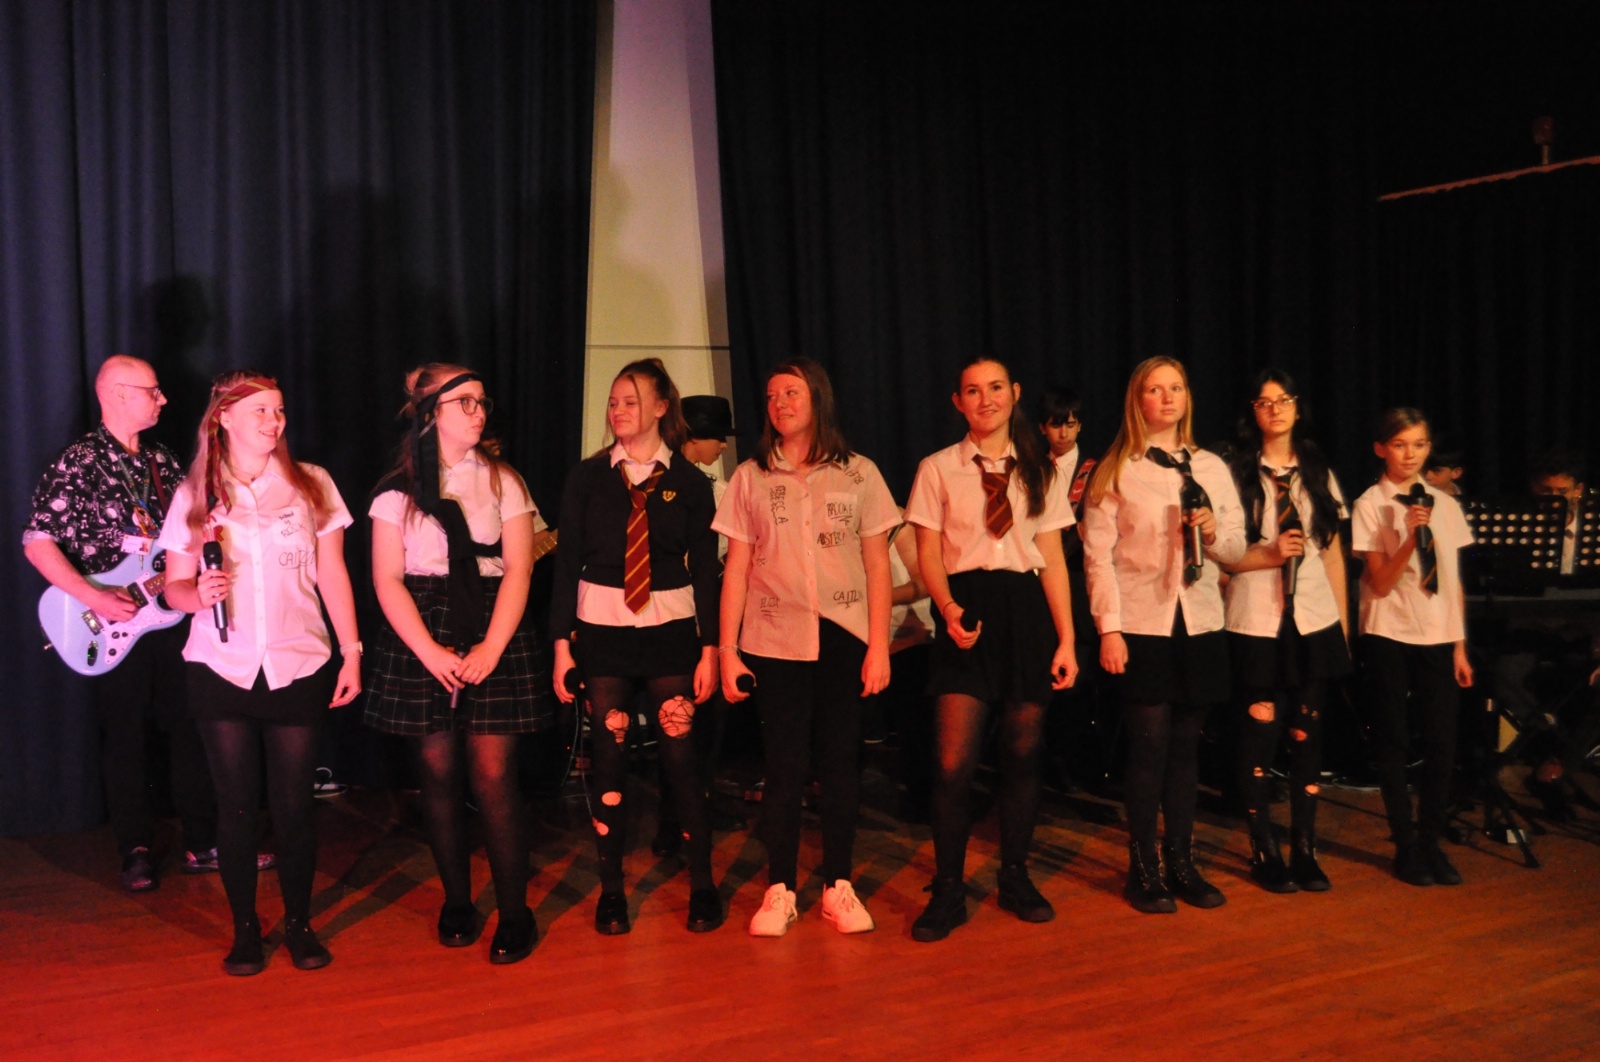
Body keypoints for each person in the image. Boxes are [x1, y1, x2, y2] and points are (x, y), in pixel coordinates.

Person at [159, 370, 362, 975]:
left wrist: (351, 651)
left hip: (299, 663)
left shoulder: (310, 483)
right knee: (237, 807)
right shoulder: (196, 492)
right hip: (222, 668)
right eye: (260, 411)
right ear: (223, 418)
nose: (274, 422)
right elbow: (173, 587)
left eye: (279, 410)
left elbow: (332, 573)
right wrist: (196, 594)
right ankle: (245, 929)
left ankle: (299, 924)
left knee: (295, 806)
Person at [363, 365, 551, 964]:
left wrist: (492, 647)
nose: (478, 411)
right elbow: (387, 579)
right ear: (431, 413)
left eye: (481, 401)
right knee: (438, 772)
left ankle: (515, 912)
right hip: (423, 626)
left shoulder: (504, 480)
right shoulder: (397, 490)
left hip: (495, 621)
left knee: (493, 774)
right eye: (464, 401)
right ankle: (457, 901)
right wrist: (429, 651)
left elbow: (519, 568)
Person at [22, 355, 219, 892]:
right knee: (125, 735)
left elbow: (185, 535)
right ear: (116, 393)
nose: (164, 399)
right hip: (113, 621)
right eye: (153, 391)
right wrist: (94, 596)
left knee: (191, 725)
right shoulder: (79, 461)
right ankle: (135, 849)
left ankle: (203, 840)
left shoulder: (163, 460)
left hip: (170, 613)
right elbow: (37, 541)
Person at [716, 358, 897, 937]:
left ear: (817, 398)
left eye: (791, 393)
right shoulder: (751, 477)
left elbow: (878, 566)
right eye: (772, 396)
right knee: (784, 767)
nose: (780, 405)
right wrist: (727, 650)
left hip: (843, 637)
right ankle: (781, 889)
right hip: (774, 640)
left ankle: (839, 886)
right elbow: (737, 569)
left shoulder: (860, 473)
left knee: (840, 764)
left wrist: (879, 646)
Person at [904, 356, 1078, 942]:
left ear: (1015, 393)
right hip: (967, 607)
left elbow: (1052, 560)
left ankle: (1015, 875)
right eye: (973, 391)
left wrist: (1067, 639)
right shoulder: (937, 468)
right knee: (952, 762)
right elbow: (929, 553)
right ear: (958, 401)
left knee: (1022, 753)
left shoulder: (1041, 469)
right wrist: (948, 608)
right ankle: (949, 888)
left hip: (1026, 611)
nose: (986, 400)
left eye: (996, 388)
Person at [550, 359, 723, 935]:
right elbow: (566, 565)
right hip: (602, 633)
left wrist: (711, 648)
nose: (618, 411)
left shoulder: (690, 482)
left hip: (671, 632)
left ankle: (703, 885)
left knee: (681, 759)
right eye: (612, 401)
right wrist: (560, 644)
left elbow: (706, 572)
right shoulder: (587, 477)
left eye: (630, 401)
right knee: (609, 759)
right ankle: (612, 892)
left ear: (660, 408)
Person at [1080, 356, 1245, 914]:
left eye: (1176, 387)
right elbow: (1098, 558)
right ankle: (1143, 867)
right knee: (1148, 748)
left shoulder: (1211, 467)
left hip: (1198, 622)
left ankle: (1182, 861)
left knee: (1185, 750)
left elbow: (1236, 549)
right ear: (1138, 400)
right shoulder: (1117, 470)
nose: (1168, 397)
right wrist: (1109, 629)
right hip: (1142, 624)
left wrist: (1214, 532)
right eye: (1155, 389)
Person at [1222, 370, 1350, 893]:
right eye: (1264, 402)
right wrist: (1268, 554)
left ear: (1298, 407)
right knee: (1259, 737)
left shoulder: (1318, 471)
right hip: (1256, 620)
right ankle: (1263, 848)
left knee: (1307, 738)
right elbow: (1223, 556)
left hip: (1313, 621)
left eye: (1284, 400)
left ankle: (1305, 848)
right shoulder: (1235, 473)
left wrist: (1343, 630)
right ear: (1253, 412)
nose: (1274, 409)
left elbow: (1333, 555)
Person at [1351, 407, 1474, 887]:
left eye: (1419, 445)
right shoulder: (1370, 504)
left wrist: (1460, 646)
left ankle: (1431, 841)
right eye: (1400, 445)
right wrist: (1408, 535)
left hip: (1438, 633)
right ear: (1381, 449)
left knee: (1442, 741)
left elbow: (1453, 579)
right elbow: (1379, 582)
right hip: (1389, 630)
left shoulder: (1445, 504)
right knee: (1394, 739)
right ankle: (1405, 844)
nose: (1410, 455)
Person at [653, 394, 743, 856]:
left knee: (697, 723)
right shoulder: (700, 488)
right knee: (688, 723)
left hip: (694, 619)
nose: (723, 447)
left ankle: (691, 810)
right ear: (694, 438)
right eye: (717, 437)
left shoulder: (717, 488)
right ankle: (677, 820)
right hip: (684, 619)